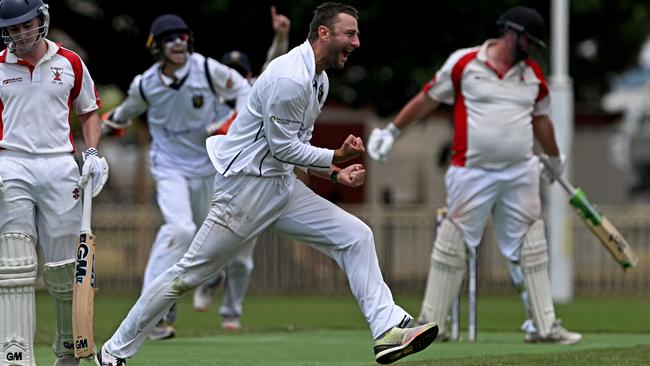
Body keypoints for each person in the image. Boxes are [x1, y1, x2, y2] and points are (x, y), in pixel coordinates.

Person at [96, 3, 438, 365]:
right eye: (350, 33)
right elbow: (283, 146)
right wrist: (335, 158)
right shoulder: (291, 78)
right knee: (186, 276)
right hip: (244, 190)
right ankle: (113, 352)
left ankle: (387, 328)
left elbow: (293, 148)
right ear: (324, 33)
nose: (357, 41)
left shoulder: (318, 79)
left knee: (356, 236)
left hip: (279, 184)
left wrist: (334, 174)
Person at [368, 6, 582, 345]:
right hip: (472, 171)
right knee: (453, 243)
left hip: (519, 171)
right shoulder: (464, 63)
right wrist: (393, 132)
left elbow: (541, 119)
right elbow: (428, 98)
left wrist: (555, 158)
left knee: (531, 244)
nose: (530, 48)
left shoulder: (532, 76)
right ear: (510, 32)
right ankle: (431, 325)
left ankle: (545, 327)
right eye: (526, 40)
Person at [101, 13, 251, 340]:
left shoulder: (208, 69)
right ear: (156, 46)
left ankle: (207, 277)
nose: (179, 42)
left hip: (209, 167)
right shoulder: (146, 84)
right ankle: (152, 314)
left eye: (182, 36)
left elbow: (245, 92)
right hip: (169, 167)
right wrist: (102, 128)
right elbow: (123, 113)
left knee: (207, 242)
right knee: (180, 229)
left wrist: (233, 124)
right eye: (170, 38)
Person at [0, 0, 108, 365]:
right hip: (10, 163)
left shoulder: (71, 63)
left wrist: (91, 154)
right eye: (12, 29)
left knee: (65, 268)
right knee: (13, 263)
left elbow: (89, 110)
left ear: (41, 20)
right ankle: (14, 355)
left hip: (60, 165)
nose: (18, 34)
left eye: (24, 26)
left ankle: (68, 349)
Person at [191, 5, 292, 331]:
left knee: (243, 257)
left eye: (239, 70)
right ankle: (210, 278)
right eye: (228, 69)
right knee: (204, 240)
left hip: (249, 181)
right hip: (211, 178)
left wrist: (281, 35)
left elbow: (274, 63)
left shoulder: (253, 92)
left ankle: (231, 313)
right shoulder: (206, 96)